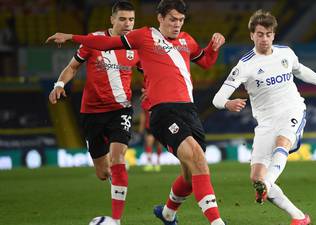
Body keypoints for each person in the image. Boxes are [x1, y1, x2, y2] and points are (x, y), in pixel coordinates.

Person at [46, 1, 226, 225]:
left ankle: (157, 215)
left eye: (180, 20)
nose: (177, 24)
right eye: (172, 19)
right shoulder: (142, 37)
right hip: (135, 112)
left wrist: (214, 47)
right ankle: (215, 222)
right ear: (159, 18)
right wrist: (72, 38)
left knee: (190, 173)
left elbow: (201, 63)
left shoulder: (183, 41)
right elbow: (103, 45)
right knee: (196, 160)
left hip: (169, 110)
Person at [212, 10, 316, 225]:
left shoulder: (285, 53)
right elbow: (217, 99)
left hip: (292, 110)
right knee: (255, 177)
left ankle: (268, 182)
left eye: (269, 34)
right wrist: (228, 103)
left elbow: (300, 71)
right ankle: (299, 217)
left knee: (281, 143)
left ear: (274, 35)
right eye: (260, 34)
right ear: (252, 36)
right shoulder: (245, 65)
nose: (265, 39)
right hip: (265, 122)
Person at [48, 1, 139, 224]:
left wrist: (149, 89)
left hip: (121, 109)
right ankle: (113, 178)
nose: (127, 24)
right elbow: (72, 67)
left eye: (131, 20)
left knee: (118, 158)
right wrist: (59, 85)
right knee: (103, 173)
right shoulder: (94, 40)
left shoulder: (136, 44)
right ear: (112, 20)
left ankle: (116, 219)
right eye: (122, 19)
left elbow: (148, 71)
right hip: (92, 113)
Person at [139, 84, 163, 172]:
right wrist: (141, 126)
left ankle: (158, 162)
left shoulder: (158, 98)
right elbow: (143, 114)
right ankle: (149, 163)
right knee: (149, 143)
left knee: (159, 144)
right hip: (149, 126)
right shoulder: (144, 101)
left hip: (159, 125)